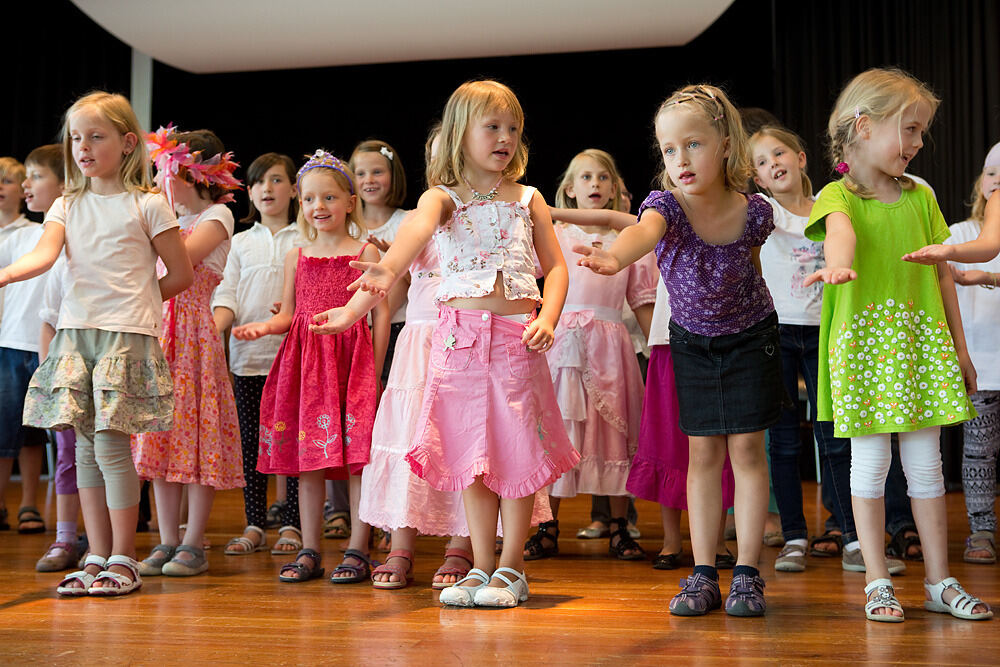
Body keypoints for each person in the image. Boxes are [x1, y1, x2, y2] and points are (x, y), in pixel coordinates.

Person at [310, 80, 579, 608]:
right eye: (493, 127)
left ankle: (512, 566)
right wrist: (353, 308)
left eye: (513, 129)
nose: (505, 138)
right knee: (471, 457)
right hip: (458, 343)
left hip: (514, 340)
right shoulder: (441, 198)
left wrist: (548, 316)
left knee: (517, 452)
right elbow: (403, 253)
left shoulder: (528, 198)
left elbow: (558, 268)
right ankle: (480, 566)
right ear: (460, 133)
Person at [576, 84, 782, 617]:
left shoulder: (755, 212)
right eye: (669, 150)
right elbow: (642, 233)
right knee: (704, 455)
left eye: (693, 144)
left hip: (750, 338)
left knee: (748, 453)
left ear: (726, 146)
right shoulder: (666, 205)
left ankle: (748, 573)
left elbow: (752, 272)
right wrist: (613, 259)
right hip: (692, 343)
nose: (681, 159)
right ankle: (703, 572)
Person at [803, 67, 991, 621]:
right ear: (863, 126)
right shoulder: (837, 195)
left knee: (927, 466)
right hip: (864, 347)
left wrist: (959, 350)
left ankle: (939, 580)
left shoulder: (921, 198)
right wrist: (837, 268)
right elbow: (842, 234)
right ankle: (878, 582)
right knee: (870, 462)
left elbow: (942, 275)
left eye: (921, 133)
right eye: (908, 129)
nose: (916, 143)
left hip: (920, 346)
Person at [0, 91, 194, 596]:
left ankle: (124, 558)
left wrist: (138, 308)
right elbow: (43, 257)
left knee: (110, 447)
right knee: (84, 446)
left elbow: (180, 273)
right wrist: (4, 275)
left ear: (128, 143)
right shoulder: (67, 204)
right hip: (74, 336)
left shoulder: (147, 204)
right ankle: (96, 555)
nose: (83, 147)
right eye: (76, 138)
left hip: (125, 337)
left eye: (96, 137)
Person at [233, 150, 389, 584]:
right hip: (306, 365)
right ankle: (310, 548)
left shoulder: (365, 249)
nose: (318, 207)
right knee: (310, 461)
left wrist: (372, 372)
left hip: (351, 364)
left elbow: (379, 313)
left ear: (350, 202)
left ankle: (359, 546)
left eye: (329, 198)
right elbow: (289, 314)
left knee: (357, 460)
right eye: (309, 200)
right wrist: (265, 326)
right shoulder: (296, 256)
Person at [522, 148, 655, 563]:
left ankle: (619, 526)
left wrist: (659, 354)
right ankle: (547, 525)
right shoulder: (554, 235)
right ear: (568, 189)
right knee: (557, 429)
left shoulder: (630, 241)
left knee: (612, 430)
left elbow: (643, 301)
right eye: (585, 178)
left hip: (610, 346)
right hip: (560, 344)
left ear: (615, 188)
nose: (594, 185)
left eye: (602, 178)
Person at [132, 127, 244, 577]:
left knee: (199, 438)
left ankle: (194, 542)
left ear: (190, 174)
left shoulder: (217, 215)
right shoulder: (165, 217)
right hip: (159, 331)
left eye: (165, 171)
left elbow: (185, 258)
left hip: (194, 334)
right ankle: (166, 539)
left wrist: (156, 214)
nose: (160, 180)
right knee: (160, 434)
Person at [750, 126, 859, 573]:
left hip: (822, 332)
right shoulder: (762, 212)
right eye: (761, 161)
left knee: (833, 435)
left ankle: (850, 534)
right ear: (757, 178)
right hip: (777, 334)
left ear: (800, 158)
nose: (773, 163)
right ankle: (794, 535)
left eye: (779, 153)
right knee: (784, 439)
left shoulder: (828, 208)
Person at [213, 152, 304, 558]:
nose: (267, 188)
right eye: (258, 182)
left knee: (294, 443)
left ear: (294, 190)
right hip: (248, 358)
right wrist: (216, 330)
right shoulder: (240, 241)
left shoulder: (306, 239)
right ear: (250, 192)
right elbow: (227, 293)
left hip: (295, 357)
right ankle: (254, 523)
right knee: (252, 442)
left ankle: (293, 524)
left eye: (276, 180)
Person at [20, 144, 85, 572]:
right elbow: (47, 319)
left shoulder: (82, 241)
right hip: (65, 367)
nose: (27, 185)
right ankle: (65, 538)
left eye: (36, 176)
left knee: (105, 455)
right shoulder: (52, 247)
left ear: (64, 187)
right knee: (66, 453)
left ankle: (110, 540)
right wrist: (49, 377)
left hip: (106, 357)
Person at [940, 141, 1000, 565]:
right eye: (992, 174)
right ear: (980, 181)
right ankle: (981, 532)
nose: (998, 183)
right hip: (982, 364)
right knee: (979, 452)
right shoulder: (959, 234)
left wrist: (985, 275)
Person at [0, 156, 48, 536]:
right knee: (3, 429)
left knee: (32, 430)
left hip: (36, 340)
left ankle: (29, 503)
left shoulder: (34, 231)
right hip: (8, 340)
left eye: (7, 181)